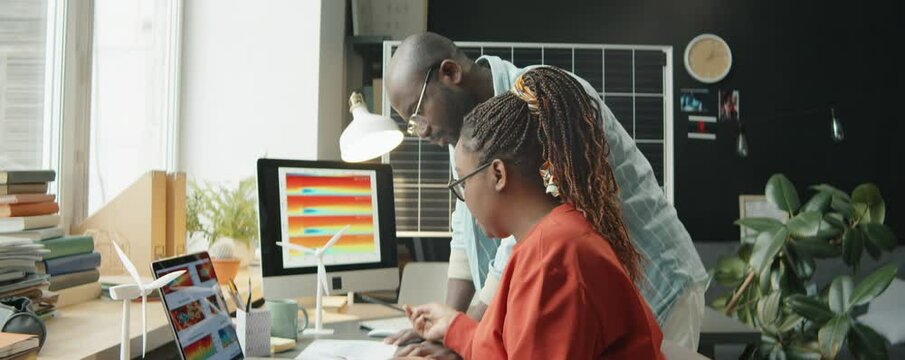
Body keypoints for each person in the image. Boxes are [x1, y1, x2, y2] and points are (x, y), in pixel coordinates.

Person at [384, 33, 708, 354]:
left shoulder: (545, 104)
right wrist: (446, 328)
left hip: (653, 283)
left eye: (417, 111)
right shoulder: (468, 135)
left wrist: (460, 334)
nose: (421, 130)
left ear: (450, 73)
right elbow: (465, 230)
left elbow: (525, 239)